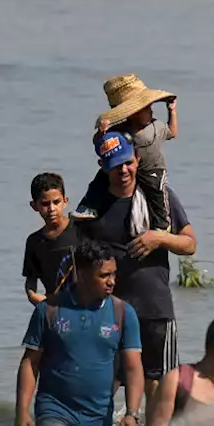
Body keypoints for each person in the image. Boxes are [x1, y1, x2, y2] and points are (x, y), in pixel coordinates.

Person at [14, 240, 143, 426]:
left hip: (97, 413)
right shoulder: (49, 310)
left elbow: (133, 367)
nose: (111, 281)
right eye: (103, 275)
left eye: (113, 274)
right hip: (54, 408)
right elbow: (30, 363)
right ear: (81, 274)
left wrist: (132, 412)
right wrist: (21, 410)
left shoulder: (122, 313)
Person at [76, 130, 197, 408]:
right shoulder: (93, 207)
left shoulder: (159, 198)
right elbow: (78, 261)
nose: (124, 170)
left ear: (138, 158)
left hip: (155, 309)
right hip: (108, 311)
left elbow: (190, 244)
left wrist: (159, 237)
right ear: (103, 168)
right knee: (103, 382)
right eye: (116, 166)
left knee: (159, 385)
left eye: (128, 162)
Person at [73, 74, 179, 234]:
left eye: (150, 108)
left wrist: (172, 111)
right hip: (126, 168)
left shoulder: (156, 126)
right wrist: (101, 133)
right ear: (133, 113)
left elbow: (172, 131)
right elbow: (99, 143)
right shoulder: (119, 130)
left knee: (157, 195)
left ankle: (162, 225)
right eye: (147, 109)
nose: (150, 112)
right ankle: (89, 206)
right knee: (98, 181)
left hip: (153, 168)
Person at [23, 172, 81, 304]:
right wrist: (33, 296)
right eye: (45, 204)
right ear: (34, 206)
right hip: (55, 309)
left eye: (56, 202)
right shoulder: (35, 242)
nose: (52, 209)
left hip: (84, 307)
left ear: (65, 201)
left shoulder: (81, 230)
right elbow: (31, 281)